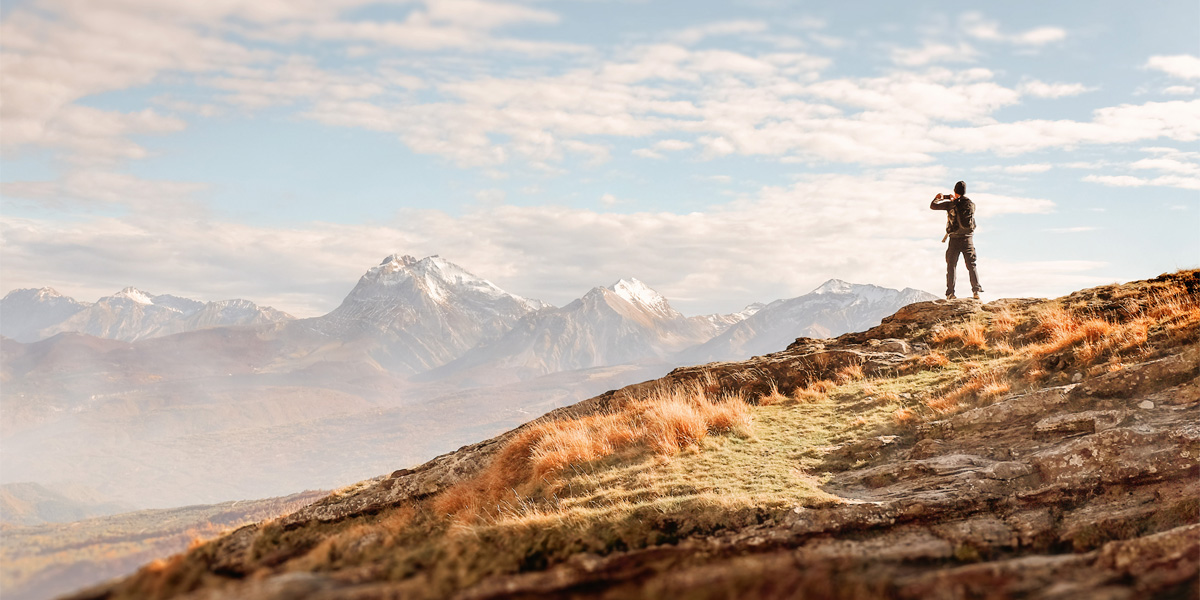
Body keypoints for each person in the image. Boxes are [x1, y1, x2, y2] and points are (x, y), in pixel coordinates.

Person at [930, 181, 983, 300]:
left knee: (951, 266)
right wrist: (954, 198)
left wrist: (939, 198)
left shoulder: (951, 204)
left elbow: (933, 206)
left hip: (954, 239)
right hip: (968, 238)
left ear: (955, 191)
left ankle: (950, 293)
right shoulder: (971, 204)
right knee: (971, 265)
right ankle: (976, 291)